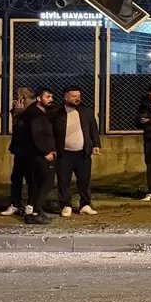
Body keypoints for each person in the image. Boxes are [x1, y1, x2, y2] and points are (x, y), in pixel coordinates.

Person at [54, 87, 101, 217]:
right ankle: (65, 205)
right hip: (64, 153)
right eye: (73, 96)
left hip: (83, 153)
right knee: (64, 181)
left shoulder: (86, 111)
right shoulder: (56, 112)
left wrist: (96, 144)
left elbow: (93, 128)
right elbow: (50, 132)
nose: (77, 98)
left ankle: (85, 205)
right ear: (65, 97)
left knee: (84, 180)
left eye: (78, 96)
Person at [21, 88, 57, 225]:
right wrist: (46, 151)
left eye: (51, 96)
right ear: (38, 98)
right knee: (47, 182)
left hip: (36, 154)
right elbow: (37, 134)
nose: (51, 99)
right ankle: (36, 211)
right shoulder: (35, 114)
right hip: (40, 155)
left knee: (36, 183)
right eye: (47, 96)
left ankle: (31, 211)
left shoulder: (42, 113)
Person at [1, 87, 36, 216]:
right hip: (20, 150)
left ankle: (31, 205)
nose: (17, 100)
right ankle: (15, 204)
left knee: (32, 179)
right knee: (16, 178)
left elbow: (28, 128)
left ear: (23, 97)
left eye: (19, 97)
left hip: (32, 151)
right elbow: (17, 127)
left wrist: (19, 113)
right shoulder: (20, 110)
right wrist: (15, 112)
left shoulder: (34, 109)